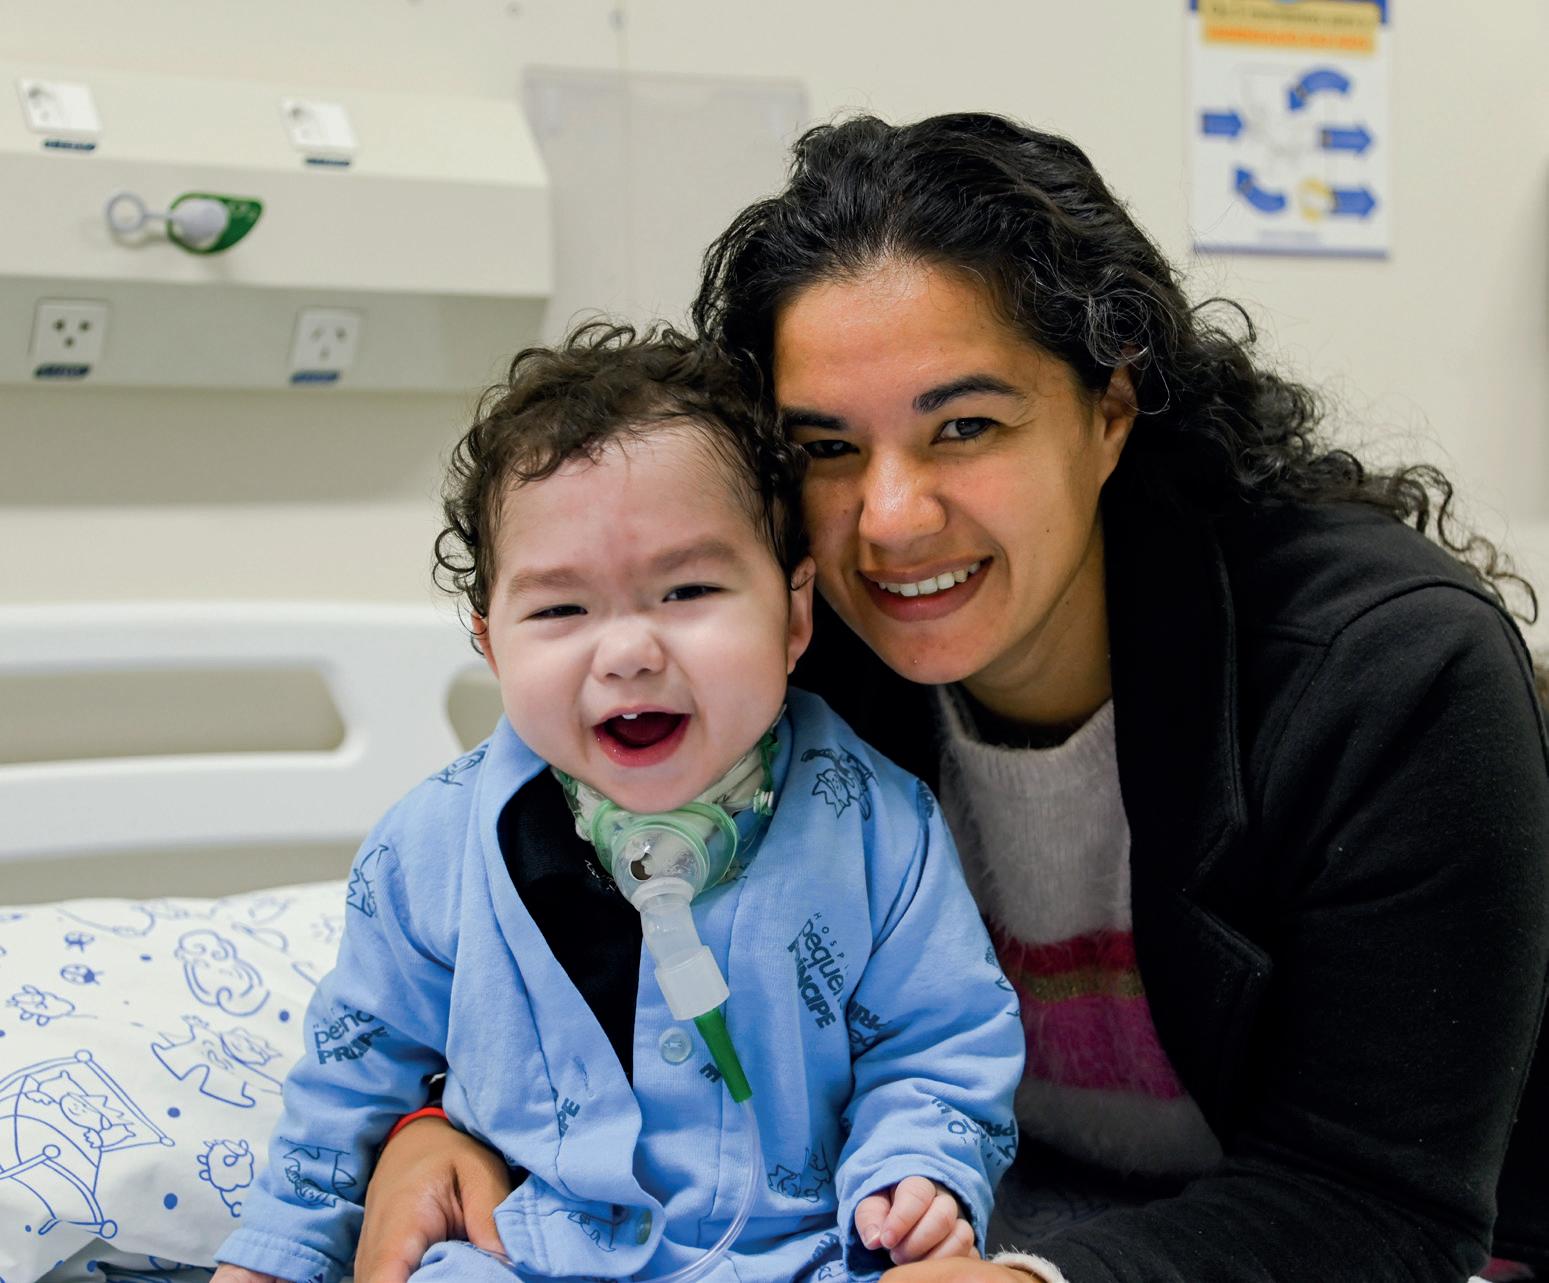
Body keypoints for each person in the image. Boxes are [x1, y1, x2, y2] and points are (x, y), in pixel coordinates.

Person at [356, 114, 1549, 1283]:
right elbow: (584, 938)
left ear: (1110, 407)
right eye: (825, 447)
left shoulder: (1380, 675)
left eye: (964, 426)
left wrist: (1033, 1277)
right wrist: (436, 1122)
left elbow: (1379, 1201)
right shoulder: (785, 653)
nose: (889, 518)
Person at [209, 323, 1024, 1283]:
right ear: (490, 642)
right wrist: (277, 1256)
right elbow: (351, 1078)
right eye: (561, 609)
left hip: (801, 1252)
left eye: (688, 589)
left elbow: (940, 1044)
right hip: (526, 1246)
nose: (629, 652)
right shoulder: (430, 849)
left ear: (794, 611)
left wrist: (916, 1173)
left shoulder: (879, 826)